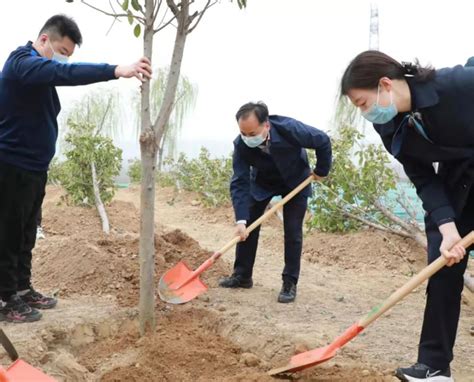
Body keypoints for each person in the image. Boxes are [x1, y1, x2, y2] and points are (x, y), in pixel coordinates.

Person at [0, 14, 152, 323]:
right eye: (62, 52)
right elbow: (62, 73)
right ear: (44, 40)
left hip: (33, 168)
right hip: (11, 166)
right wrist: (115, 71)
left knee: (27, 232)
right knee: (8, 234)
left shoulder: (36, 75)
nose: (63, 61)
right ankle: (5, 300)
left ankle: (21, 288)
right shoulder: (21, 62)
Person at [340, 50, 474, 382]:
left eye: (361, 103)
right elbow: (423, 176)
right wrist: (446, 227)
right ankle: (434, 366)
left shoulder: (458, 85)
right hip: (458, 179)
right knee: (444, 263)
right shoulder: (390, 126)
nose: (364, 113)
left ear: (385, 84)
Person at [219, 102, 332, 303]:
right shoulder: (241, 145)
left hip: (296, 181)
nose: (247, 138)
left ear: (267, 125)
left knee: (292, 231)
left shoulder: (289, 128)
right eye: (243, 133)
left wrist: (321, 171)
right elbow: (240, 182)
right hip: (262, 182)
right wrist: (241, 220)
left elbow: (322, 140)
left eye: (252, 133)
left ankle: (289, 283)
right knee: (248, 228)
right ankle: (242, 275)